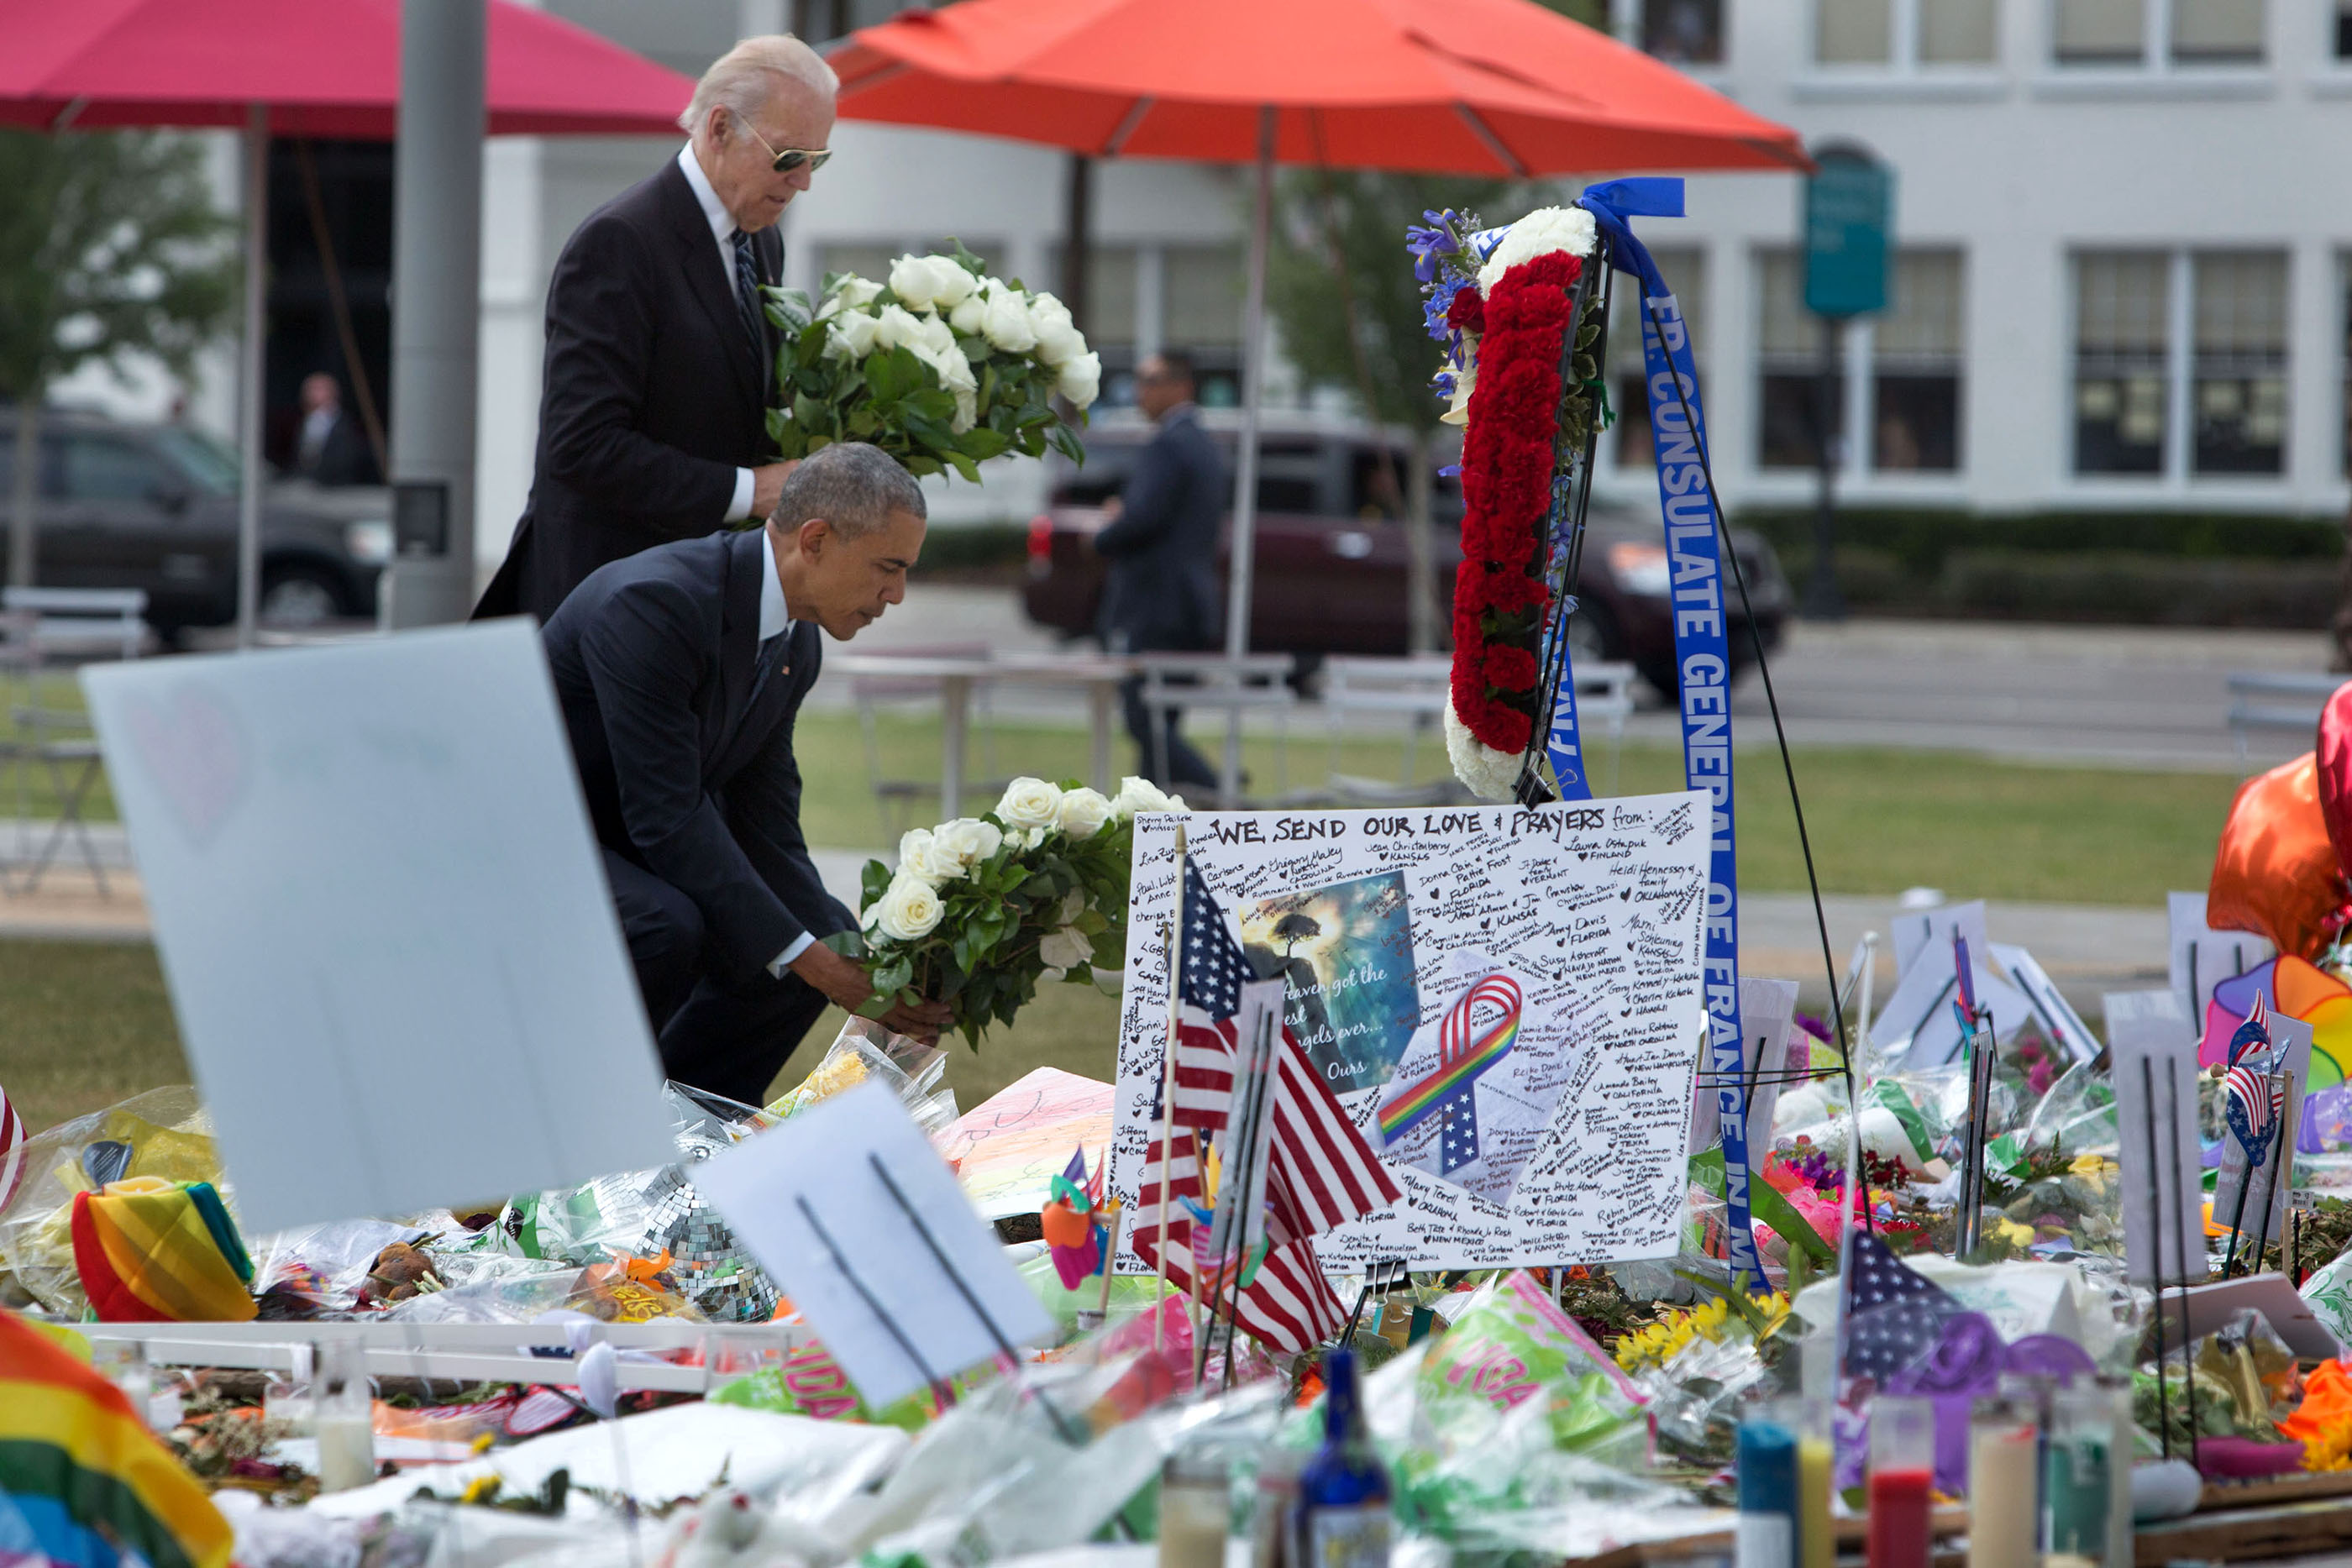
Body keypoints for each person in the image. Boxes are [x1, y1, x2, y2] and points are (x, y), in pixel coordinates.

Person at [543, 443, 951, 1105]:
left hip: (626, 842)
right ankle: (599, 1125)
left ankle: (689, 1125)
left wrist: (853, 959)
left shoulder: (798, 637)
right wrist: (814, 962)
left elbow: (767, 822)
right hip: (529, 840)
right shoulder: (659, 602)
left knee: (818, 920)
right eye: (888, 566)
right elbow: (668, 815)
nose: (896, 594)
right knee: (667, 925)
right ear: (815, 540)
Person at [475, 35, 837, 624]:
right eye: (789, 157)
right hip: (607, 603)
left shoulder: (761, 237)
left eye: (816, 160)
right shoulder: (620, 242)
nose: (803, 183)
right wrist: (751, 491)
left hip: (700, 598)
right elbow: (583, 446)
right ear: (719, 129)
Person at [1093, 349, 1226, 789]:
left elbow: (1143, 519)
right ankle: (1157, 823)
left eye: (1150, 381)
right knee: (1159, 725)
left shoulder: (1169, 444)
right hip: (1188, 605)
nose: (1140, 392)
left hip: (1154, 605)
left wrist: (1104, 531)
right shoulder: (1204, 443)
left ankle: (1221, 792)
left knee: (1143, 719)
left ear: (1181, 386)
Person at [291, 373, 374, 486]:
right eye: (308, 389)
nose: (309, 393)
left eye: (317, 389)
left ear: (332, 392)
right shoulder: (305, 423)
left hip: (335, 488)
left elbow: (346, 459)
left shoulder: (346, 425)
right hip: (307, 487)